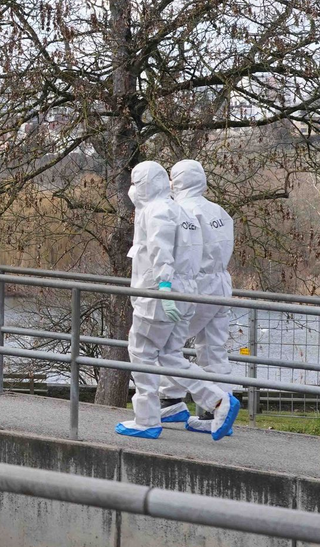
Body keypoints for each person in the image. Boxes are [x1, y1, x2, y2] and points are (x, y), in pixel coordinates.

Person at [115, 161, 240, 441]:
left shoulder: (163, 210)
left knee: (144, 353)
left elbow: (161, 253)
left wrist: (164, 287)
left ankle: (149, 417)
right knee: (185, 353)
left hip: (163, 293)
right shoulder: (197, 211)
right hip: (201, 287)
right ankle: (218, 401)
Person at [156, 160, 236, 435]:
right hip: (221, 285)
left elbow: (179, 253)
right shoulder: (220, 211)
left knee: (167, 345)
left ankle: (173, 401)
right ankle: (217, 412)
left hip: (194, 285)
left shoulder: (179, 210)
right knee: (214, 349)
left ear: (176, 181)